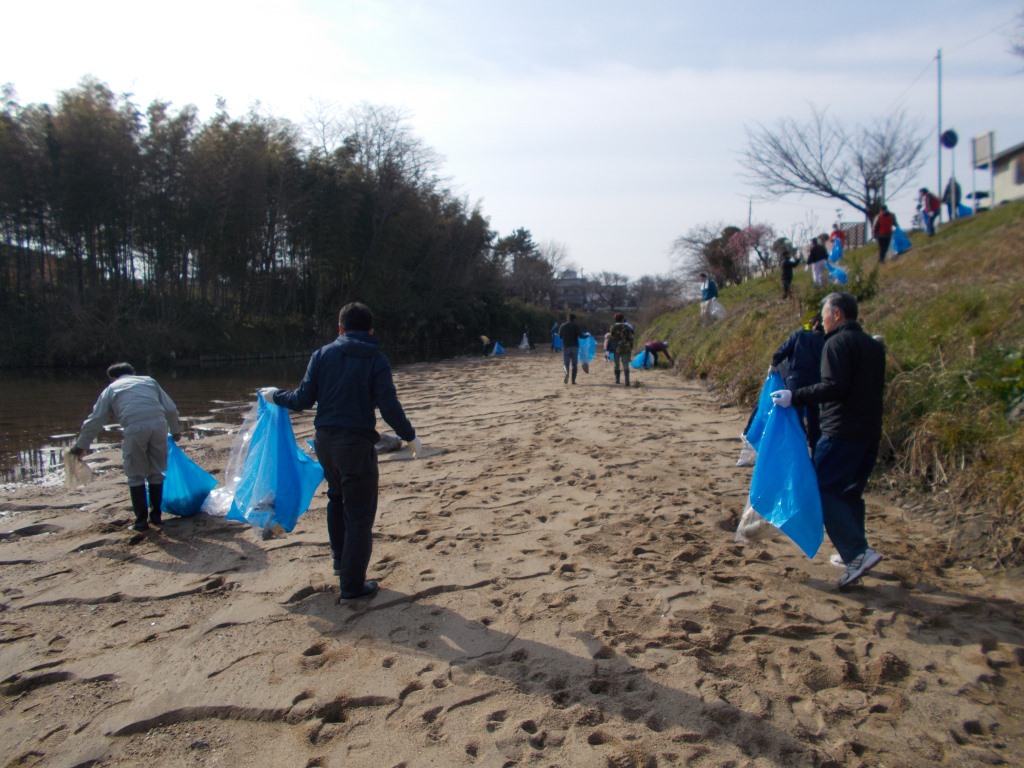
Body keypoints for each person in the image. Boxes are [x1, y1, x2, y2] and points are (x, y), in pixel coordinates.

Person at [260, 302, 421, 604]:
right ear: (371, 330)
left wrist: (274, 395)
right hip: (356, 445)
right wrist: (409, 436)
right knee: (360, 515)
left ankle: (339, 561)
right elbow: (388, 406)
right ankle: (352, 585)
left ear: (340, 328)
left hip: (324, 443)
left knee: (337, 498)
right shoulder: (377, 359)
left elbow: (302, 400)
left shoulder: (322, 355)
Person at [770, 292, 886, 588]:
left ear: (837, 314)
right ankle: (854, 554)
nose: (821, 319)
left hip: (841, 432)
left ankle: (857, 553)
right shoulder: (874, 346)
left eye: (824, 313)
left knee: (822, 488)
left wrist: (794, 396)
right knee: (849, 493)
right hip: (870, 433)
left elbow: (832, 387)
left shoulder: (836, 343)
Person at [69, 363, 182, 532]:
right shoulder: (149, 381)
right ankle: (156, 516)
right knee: (156, 471)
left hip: (134, 427)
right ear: (133, 373)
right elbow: (171, 408)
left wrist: (81, 446)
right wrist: (175, 431)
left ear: (112, 378)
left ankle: (141, 521)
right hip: (159, 425)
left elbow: (95, 420)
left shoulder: (112, 389)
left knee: (135, 474)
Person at [770, 316, 825, 452]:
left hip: (796, 379)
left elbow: (783, 350)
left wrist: (775, 363)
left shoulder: (798, 334)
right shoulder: (823, 340)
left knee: (795, 415)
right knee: (814, 416)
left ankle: (798, 447)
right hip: (815, 381)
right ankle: (814, 447)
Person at [608, 312, 635, 386]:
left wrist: (609, 348)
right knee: (625, 364)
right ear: (623, 319)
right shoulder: (627, 327)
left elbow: (611, 338)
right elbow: (631, 338)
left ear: (615, 319)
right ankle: (627, 380)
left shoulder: (613, 327)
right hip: (626, 347)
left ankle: (617, 380)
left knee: (616, 364)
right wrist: (631, 347)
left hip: (617, 348)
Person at [558, 313, 582, 384]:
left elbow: (560, 336)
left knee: (566, 363)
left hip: (566, 346)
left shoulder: (563, 325)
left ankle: (566, 373)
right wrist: (587, 335)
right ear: (574, 319)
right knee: (574, 364)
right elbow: (581, 335)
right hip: (575, 346)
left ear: (568, 318)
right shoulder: (576, 326)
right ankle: (573, 381)